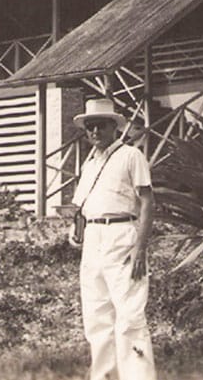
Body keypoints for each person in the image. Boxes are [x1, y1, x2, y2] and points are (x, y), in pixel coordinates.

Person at [70, 98, 157, 380]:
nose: (95, 132)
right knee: (96, 316)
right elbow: (82, 205)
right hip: (94, 238)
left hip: (122, 234)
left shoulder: (131, 155)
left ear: (114, 127)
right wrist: (77, 227)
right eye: (90, 127)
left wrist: (140, 248)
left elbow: (147, 201)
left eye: (100, 125)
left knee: (130, 315)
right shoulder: (89, 162)